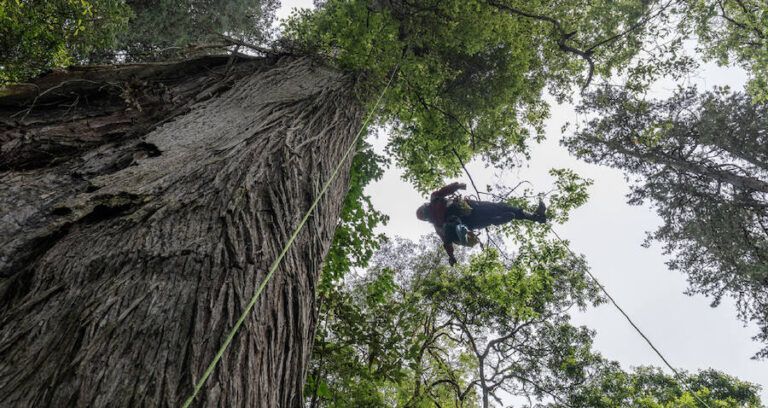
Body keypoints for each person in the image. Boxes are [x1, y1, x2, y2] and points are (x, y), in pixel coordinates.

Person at [415, 181, 546, 265]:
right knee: (501, 208)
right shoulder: (435, 199)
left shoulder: (438, 226)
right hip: (470, 208)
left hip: (471, 224)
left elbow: (447, 243)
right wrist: (459, 185)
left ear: (427, 219)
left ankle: (495, 221)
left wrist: (451, 257)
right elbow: (447, 189)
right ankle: (535, 217)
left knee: (489, 220)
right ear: (424, 206)